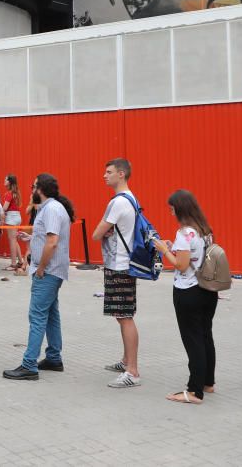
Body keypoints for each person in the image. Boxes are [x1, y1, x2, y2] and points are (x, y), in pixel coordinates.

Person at [3, 174, 74, 381]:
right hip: (54, 270)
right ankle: (53, 357)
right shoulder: (53, 208)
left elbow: (52, 242)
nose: (31, 189)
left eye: (33, 186)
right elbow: (48, 237)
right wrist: (32, 238)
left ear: (40, 189)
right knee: (51, 313)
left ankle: (29, 365)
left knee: (37, 316)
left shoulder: (51, 209)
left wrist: (41, 267)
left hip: (48, 270)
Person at [152, 190, 218, 404]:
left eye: (171, 208)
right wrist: (174, 249)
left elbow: (180, 265)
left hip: (188, 290)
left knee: (193, 339)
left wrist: (163, 249)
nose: (170, 212)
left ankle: (194, 390)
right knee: (205, 335)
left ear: (180, 208)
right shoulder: (204, 230)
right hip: (208, 289)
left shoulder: (184, 233)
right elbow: (193, 256)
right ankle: (208, 382)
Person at [91, 158, 142, 389]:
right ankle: (126, 361)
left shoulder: (118, 202)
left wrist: (105, 230)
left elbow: (96, 233)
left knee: (124, 316)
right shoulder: (131, 199)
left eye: (109, 172)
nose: (105, 175)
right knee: (123, 315)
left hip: (119, 264)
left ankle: (133, 371)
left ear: (121, 174)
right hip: (123, 263)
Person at [2, 175, 25, 273]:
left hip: (11, 217)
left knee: (12, 241)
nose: (4, 180)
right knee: (14, 240)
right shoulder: (16, 192)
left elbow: (4, 208)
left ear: (9, 182)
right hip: (17, 216)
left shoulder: (9, 193)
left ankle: (13, 264)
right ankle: (20, 261)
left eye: (6, 179)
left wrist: (0, 213)